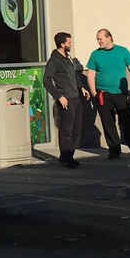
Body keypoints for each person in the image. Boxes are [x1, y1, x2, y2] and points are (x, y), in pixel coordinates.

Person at [86, 29, 130, 161]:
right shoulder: (95, 54)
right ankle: (114, 151)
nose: (98, 41)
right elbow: (91, 74)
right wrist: (94, 93)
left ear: (109, 38)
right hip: (103, 94)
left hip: (121, 94)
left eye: (100, 38)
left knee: (128, 123)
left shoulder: (122, 51)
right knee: (108, 123)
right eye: (97, 39)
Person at [44, 31, 86, 168]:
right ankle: (66, 157)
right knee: (66, 130)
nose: (71, 44)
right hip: (65, 99)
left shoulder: (68, 58)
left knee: (76, 129)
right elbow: (47, 80)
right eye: (69, 42)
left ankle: (68, 156)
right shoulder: (54, 61)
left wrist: (82, 88)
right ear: (62, 44)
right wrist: (59, 96)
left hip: (75, 98)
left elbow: (74, 75)